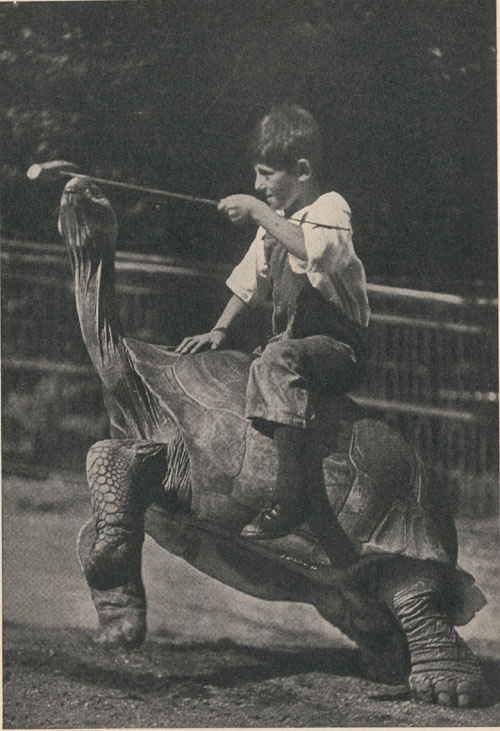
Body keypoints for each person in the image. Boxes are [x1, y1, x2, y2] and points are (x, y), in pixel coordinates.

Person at [176, 104, 370, 540]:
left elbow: (317, 252)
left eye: (266, 174)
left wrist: (260, 213)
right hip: (296, 349)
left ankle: (290, 499)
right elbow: (248, 282)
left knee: (277, 360)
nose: (257, 185)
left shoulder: (331, 208)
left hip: (340, 348)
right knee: (260, 360)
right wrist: (220, 330)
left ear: (301, 170)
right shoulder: (273, 228)